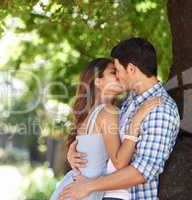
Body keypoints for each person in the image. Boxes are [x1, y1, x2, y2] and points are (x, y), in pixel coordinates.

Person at [59, 37, 180, 200]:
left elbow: (142, 171)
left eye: (117, 70)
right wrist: (76, 153)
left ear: (130, 69)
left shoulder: (161, 109)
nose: (117, 76)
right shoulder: (131, 100)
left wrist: (89, 185)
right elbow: (105, 142)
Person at [50, 57, 161, 200]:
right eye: (113, 72)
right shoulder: (108, 112)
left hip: (74, 185)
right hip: (86, 191)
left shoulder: (88, 113)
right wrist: (137, 120)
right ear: (98, 82)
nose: (119, 75)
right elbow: (119, 162)